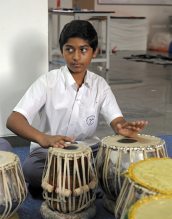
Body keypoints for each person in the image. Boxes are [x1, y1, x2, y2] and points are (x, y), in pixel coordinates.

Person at [6, 20, 148, 198]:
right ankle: (83, 184)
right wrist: (43, 138)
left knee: (121, 164)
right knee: (31, 170)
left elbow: (116, 120)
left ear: (94, 52)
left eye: (83, 49)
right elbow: (14, 120)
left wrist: (122, 127)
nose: (76, 57)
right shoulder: (47, 82)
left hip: (88, 150)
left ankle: (58, 185)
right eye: (69, 49)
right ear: (62, 50)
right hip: (49, 153)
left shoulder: (100, 85)